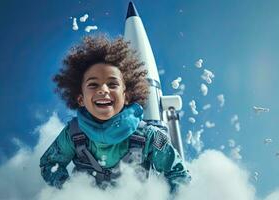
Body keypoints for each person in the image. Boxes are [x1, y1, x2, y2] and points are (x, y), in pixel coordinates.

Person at [39, 34, 190, 194]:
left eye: (112, 84)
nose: (103, 90)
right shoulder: (72, 134)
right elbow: (49, 163)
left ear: (127, 96)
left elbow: (178, 174)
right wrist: (71, 192)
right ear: (81, 99)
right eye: (93, 84)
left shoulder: (151, 136)